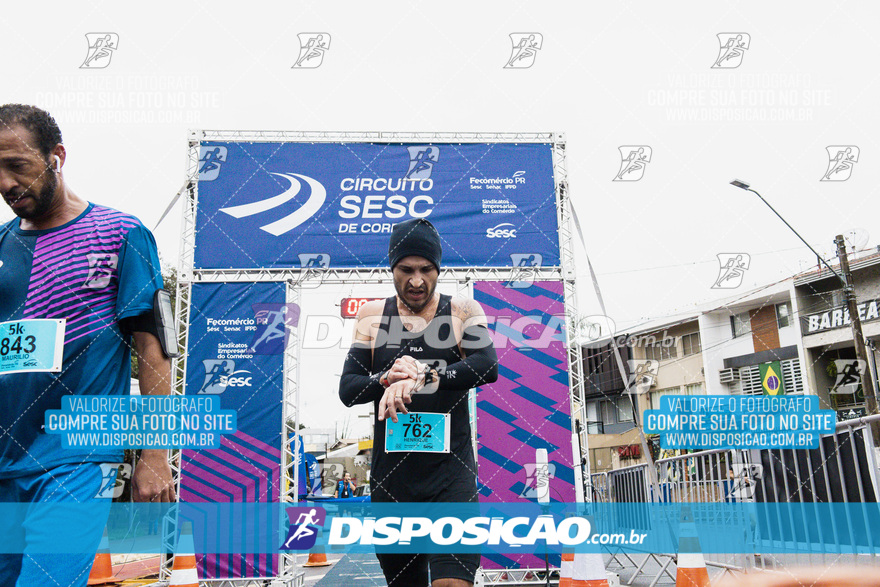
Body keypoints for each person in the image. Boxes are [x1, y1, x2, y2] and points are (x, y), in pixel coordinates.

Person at [0, 104, 176, 586]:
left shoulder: (122, 234)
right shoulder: (1, 245)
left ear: (56, 156)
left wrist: (156, 455)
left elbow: (154, 349)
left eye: (17, 165)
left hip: (74, 456)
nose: (6, 184)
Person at [339, 217, 499, 587]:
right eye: (406, 269)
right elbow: (349, 388)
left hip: (450, 481)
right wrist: (385, 378)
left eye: (426, 269)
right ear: (391, 268)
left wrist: (422, 375)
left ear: (438, 269)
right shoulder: (372, 317)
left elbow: (486, 366)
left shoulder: (462, 311)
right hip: (394, 484)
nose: (416, 280)